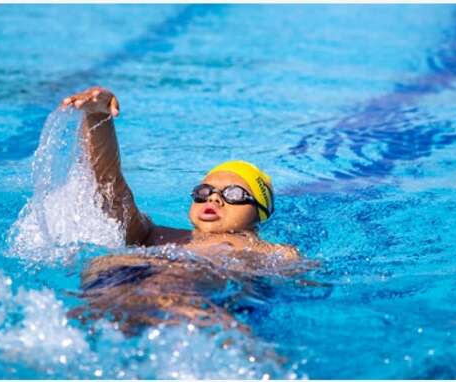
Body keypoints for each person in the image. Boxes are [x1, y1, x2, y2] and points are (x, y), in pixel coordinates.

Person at [61, 87, 300, 335]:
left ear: (259, 212)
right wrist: (98, 117)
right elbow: (110, 184)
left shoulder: (274, 253)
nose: (215, 198)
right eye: (204, 191)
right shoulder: (153, 234)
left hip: (178, 299)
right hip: (113, 281)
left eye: (233, 194)